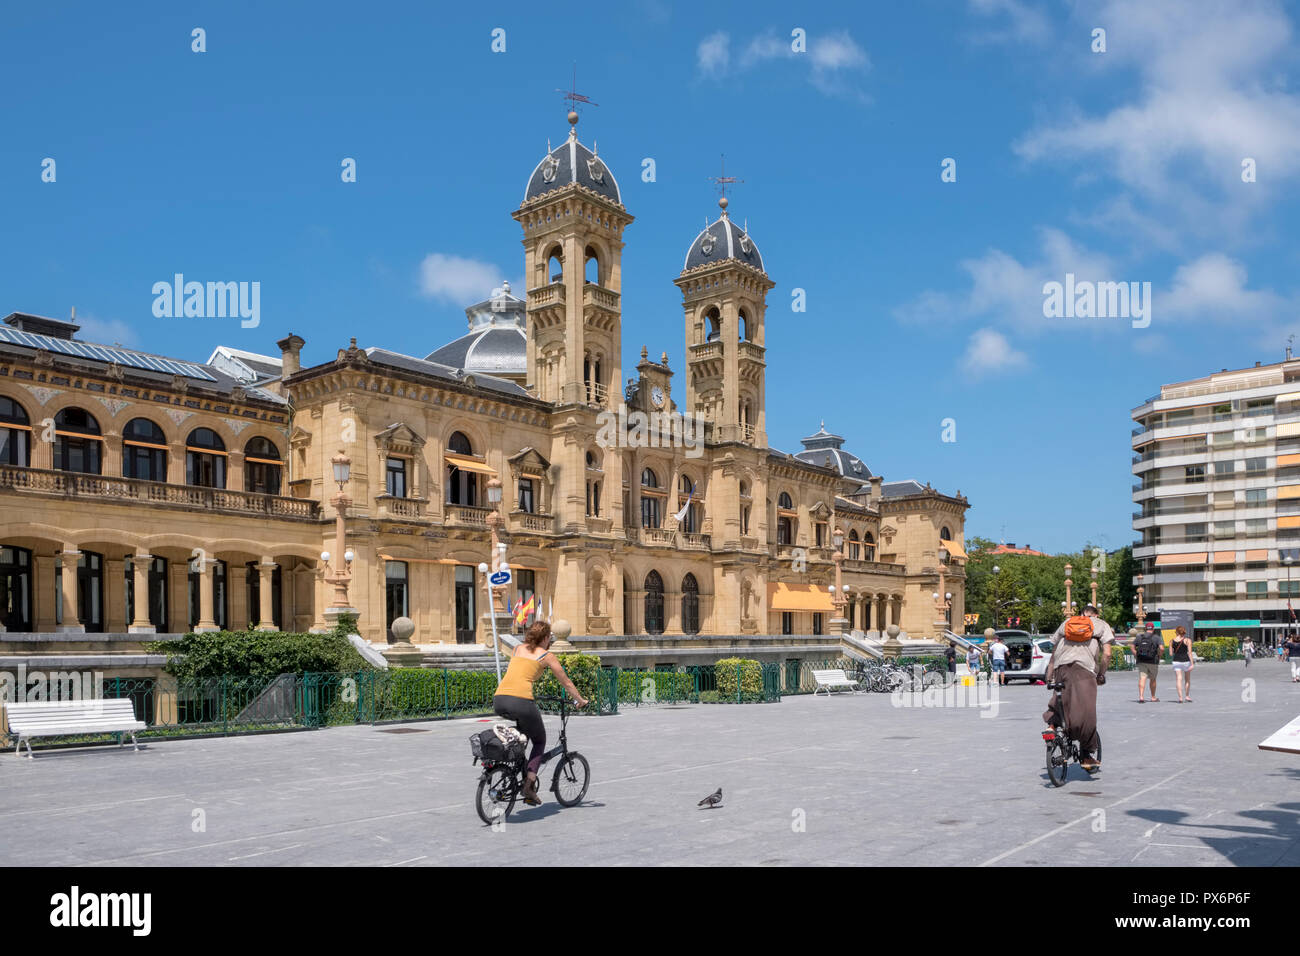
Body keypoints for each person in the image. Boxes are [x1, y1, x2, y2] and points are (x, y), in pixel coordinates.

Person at [493, 621, 588, 806]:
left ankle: (517, 770)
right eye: (549, 638)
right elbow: (566, 683)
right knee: (539, 740)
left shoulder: (517, 649)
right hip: (521, 701)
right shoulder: (547, 656)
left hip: (499, 699)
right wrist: (581, 700)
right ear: (545, 638)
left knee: (523, 735)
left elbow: (519, 674)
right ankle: (529, 784)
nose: (550, 641)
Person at [1043, 604, 1114, 772]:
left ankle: (1051, 727)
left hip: (1061, 668)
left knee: (1060, 701)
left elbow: (1054, 653)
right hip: (1084, 670)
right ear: (1096, 615)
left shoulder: (1067, 623)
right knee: (1087, 712)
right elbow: (1108, 654)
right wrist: (1101, 674)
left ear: (1082, 614)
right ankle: (1087, 755)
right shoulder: (1101, 625)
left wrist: (1049, 676)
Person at [1134, 626, 1162, 702]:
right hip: (1153, 661)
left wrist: (1136, 655)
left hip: (1141, 660)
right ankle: (1153, 697)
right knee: (1153, 679)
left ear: (1145, 629)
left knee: (1142, 678)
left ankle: (1141, 697)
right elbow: (1162, 648)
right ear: (1153, 629)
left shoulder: (1139, 637)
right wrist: (1159, 656)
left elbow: (1132, 647)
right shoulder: (1157, 637)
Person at [1170, 625, 1194, 702]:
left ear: (1176, 632)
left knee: (1178, 679)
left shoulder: (1171, 641)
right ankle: (1187, 696)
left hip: (1176, 661)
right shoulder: (1187, 640)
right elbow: (1189, 652)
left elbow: (1171, 653)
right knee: (1187, 679)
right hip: (1186, 661)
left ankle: (1180, 697)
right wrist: (1192, 663)